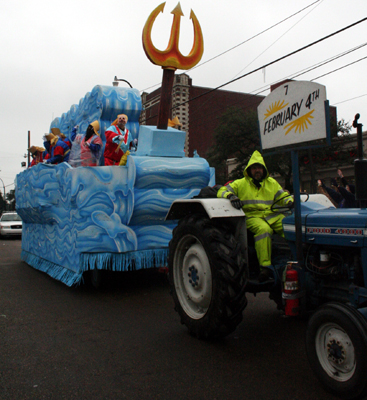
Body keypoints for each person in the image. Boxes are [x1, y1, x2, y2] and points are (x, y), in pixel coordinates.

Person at [217, 150, 293, 282]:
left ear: (264, 169)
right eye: (254, 168)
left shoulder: (272, 183)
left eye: (259, 168)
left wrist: (290, 201)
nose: (257, 170)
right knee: (263, 230)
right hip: (253, 217)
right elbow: (221, 191)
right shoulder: (240, 183)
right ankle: (265, 267)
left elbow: (283, 197)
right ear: (249, 170)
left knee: (291, 226)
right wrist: (231, 196)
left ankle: (296, 259)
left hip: (272, 215)